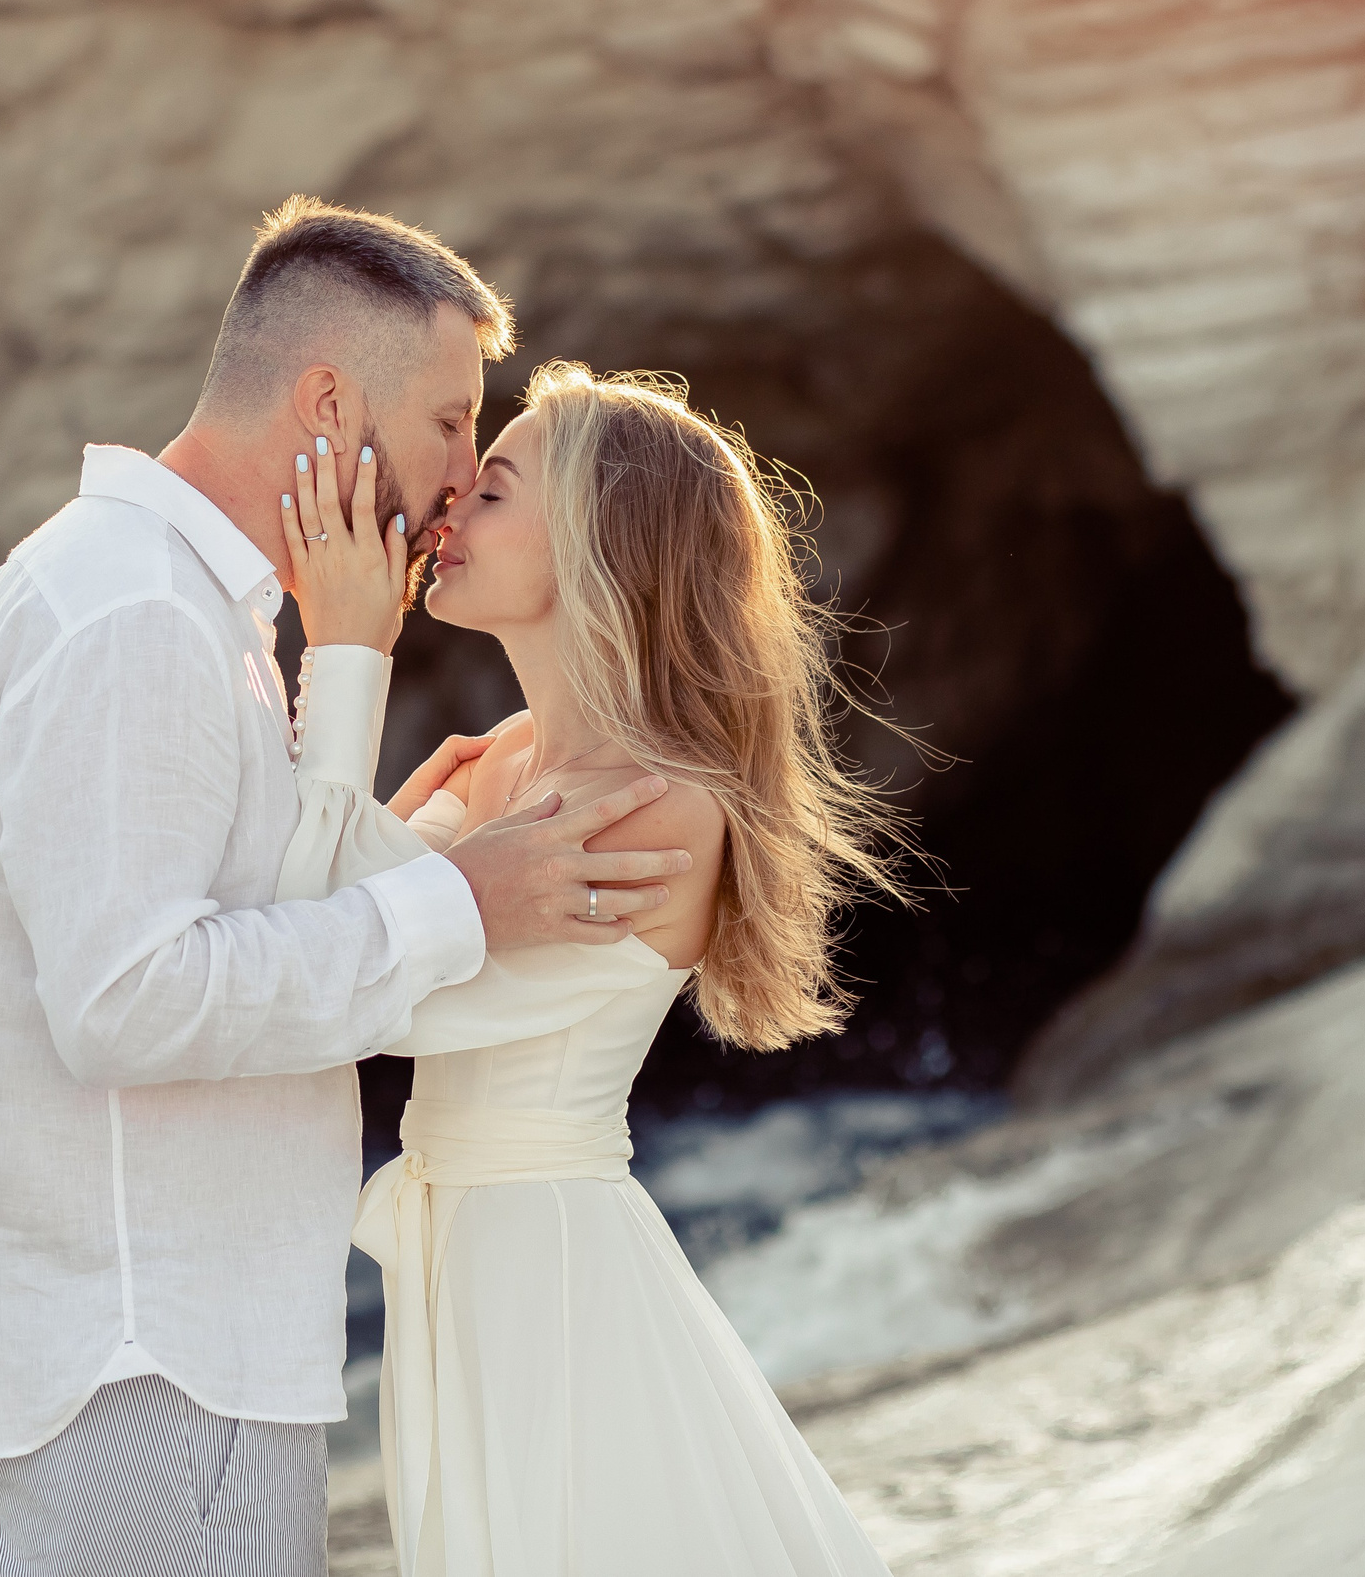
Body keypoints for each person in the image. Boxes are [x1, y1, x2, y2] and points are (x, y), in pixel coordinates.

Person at [0, 199, 698, 1576]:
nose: (460, 474)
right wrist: (461, 899)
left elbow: (237, 927)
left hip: (161, 1350)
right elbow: (125, 1001)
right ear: (328, 398)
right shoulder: (140, 617)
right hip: (150, 1353)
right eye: (452, 423)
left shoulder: (177, 609)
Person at [277, 359, 908, 1575]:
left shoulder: (660, 807)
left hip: (549, 1273)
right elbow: (314, 936)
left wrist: (348, 655)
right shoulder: (499, 762)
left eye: (496, 490)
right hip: (458, 1260)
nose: (449, 509)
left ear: (601, 543)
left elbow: (366, 994)